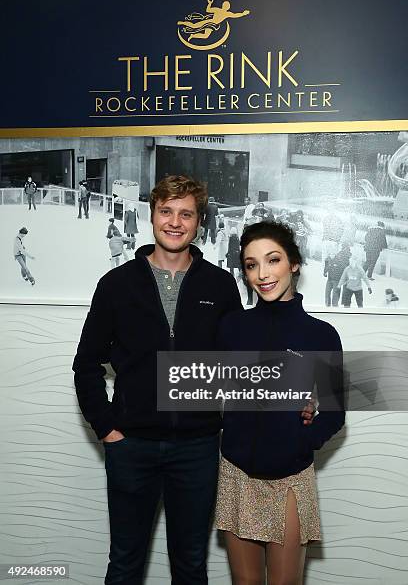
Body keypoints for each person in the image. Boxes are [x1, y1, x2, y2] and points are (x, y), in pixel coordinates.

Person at [72, 175, 243, 585]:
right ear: (151, 215)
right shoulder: (116, 284)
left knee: (190, 565)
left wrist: (302, 389)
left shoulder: (219, 285)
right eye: (166, 211)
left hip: (198, 447)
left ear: (199, 222)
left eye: (186, 214)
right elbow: (86, 365)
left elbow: (241, 365)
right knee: (126, 562)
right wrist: (108, 428)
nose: (175, 222)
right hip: (131, 446)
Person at [215, 220, 345, 585]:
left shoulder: (320, 335)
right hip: (236, 473)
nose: (262, 273)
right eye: (252, 265)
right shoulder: (231, 327)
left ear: (294, 264)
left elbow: (335, 414)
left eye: (272, 260)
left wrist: (298, 440)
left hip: (290, 478)